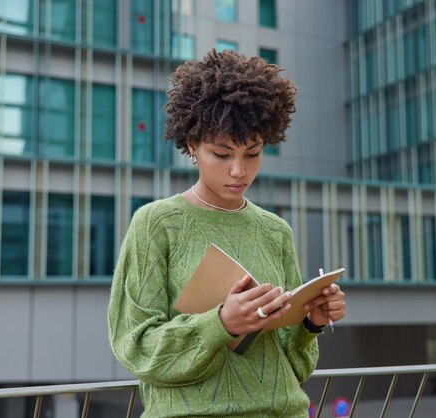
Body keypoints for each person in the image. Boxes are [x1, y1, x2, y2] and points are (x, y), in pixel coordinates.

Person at [108, 49, 346, 418]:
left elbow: (294, 366)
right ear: (192, 147)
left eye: (252, 154)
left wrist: (310, 322)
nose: (239, 171)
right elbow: (136, 346)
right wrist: (220, 324)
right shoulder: (157, 224)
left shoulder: (274, 230)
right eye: (222, 154)